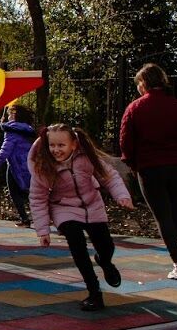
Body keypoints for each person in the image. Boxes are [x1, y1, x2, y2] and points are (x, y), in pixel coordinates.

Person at [28, 123, 135, 312]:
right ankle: (94, 292)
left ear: (74, 145)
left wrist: (122, 196)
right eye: (52, 145)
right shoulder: (43, 166)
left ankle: (106, 262)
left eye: (61, 145)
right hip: (64, 208)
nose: (56, 150)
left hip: (92, 205)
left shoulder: (86, 159)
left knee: (106, 246)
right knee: (77, 245)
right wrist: (43, 230)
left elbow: (109, 176)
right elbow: (37, 199)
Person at [120, 63, 177, 279]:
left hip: (149, 168)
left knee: (162, 215)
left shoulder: (135, 108)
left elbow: (126, 141)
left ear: (144, 83)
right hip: (174, 166)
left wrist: (132, 164)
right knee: (175, 208)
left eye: (139, 83)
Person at [0, 103, 36, 226]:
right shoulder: (26, 129)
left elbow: (5, 150)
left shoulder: (12, 130)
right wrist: (3, 124)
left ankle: (25, 219)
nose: (9, 115)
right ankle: (51, 219)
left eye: (10, 113)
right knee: (33, 193)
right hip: (28, 164)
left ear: (16, 115)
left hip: (16, 165)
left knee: (15, 193)